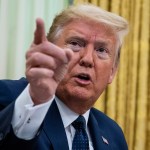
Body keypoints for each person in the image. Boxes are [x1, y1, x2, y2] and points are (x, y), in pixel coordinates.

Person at [0, 3, 129, 150]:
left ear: (112, 72)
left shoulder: (114, 134)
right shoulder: (7, 98)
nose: (87, 59)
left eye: (101, 50)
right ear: (49, 52)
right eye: (75, 43)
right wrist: (36, 100)